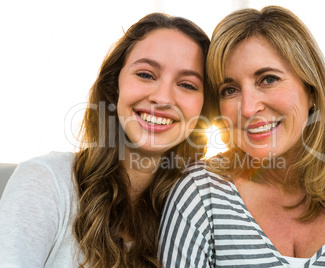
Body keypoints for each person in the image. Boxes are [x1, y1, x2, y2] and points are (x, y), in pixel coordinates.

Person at [159, 6, 325, 267]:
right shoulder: (201, 193)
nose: (249, 108)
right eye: (230, 90)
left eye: (268, 79)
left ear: (311, 89)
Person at [0, 13, 211, 267]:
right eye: (146, 74)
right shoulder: (46, 181)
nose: (163, 98)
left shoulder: (199, 209)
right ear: (114, 84)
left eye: (187, 84)